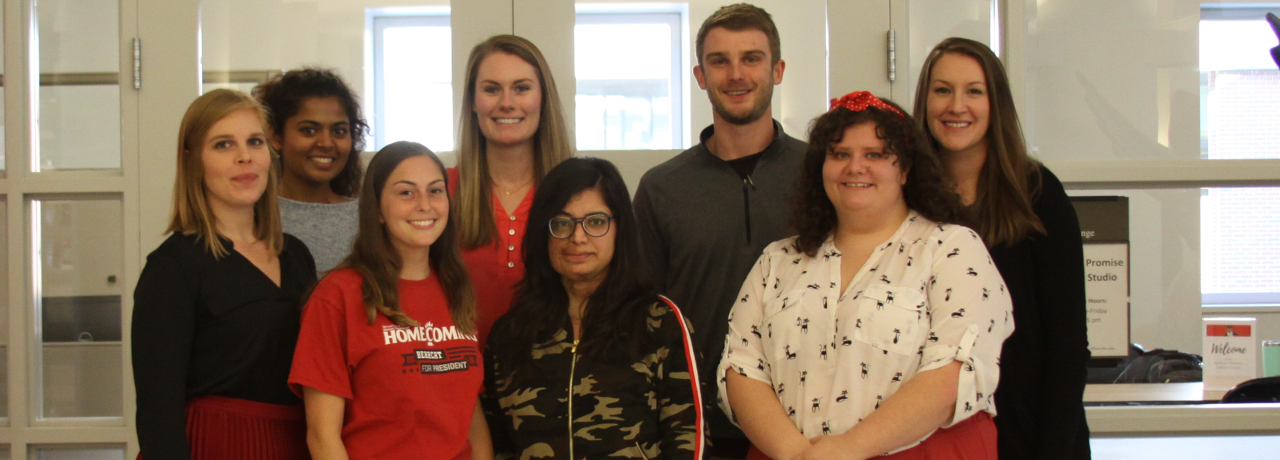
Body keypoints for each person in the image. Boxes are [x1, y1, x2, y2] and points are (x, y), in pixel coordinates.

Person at [719, 92, 1013, 460]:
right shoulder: (778, 260)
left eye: (874, 154)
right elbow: (742, 369)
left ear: (905, 169)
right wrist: (799, 455)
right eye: (840, 154)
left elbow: (954, 373)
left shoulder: (951, 249)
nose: (855, 166)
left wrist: (846, 450)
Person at [632, 4, 805, 456]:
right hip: (695, 422)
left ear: (778, 69)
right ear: (699, 75)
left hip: (807, 419)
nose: (736, 74)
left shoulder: (823, 173)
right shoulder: (661, 187)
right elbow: (639, 314)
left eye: (751, 58)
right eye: (719, 61)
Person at [913, 37, 1091, 460]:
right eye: (943, 90)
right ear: (925, 101)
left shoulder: (1038, 193)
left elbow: (1067, 343)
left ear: (996, 104)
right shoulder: (906, 196)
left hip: (1033, 429)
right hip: (935, 433)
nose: (957, 106)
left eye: (974, 91)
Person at [132, 88, 316, 460]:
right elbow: (157, 410)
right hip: (212, 445)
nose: (244, 156)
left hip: (296, 443)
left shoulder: (296, 255)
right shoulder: (172, 268)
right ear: (193, 160)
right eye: (223, 145)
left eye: (254, 141)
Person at [482, 157, 705, 459]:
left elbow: (688, 438)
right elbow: (497, 445)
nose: (577, 237)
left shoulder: (659, 323)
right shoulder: (510, 334)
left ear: (620, 228)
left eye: (596, 222)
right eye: (561, 223)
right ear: (542, 232)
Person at [288, 141, 491, 460]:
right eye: (406, 192)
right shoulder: (339, 295)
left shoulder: (456, 288)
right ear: (376, 210)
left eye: (436, 191)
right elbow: (322, 437)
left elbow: (470, 417)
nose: (425, 205)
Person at [452, 34, 574, 346]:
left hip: (553, 385)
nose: (507, 103)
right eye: (492, 89)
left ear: (542, 98)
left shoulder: (578, 193)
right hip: (457, 381)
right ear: (473, 102)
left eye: (521, 88)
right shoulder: (439, 192)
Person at [254, 68, 369, 275]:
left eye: (339, 131)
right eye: (309, 130)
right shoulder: (253, 216)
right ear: (276, 136)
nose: (326, 143)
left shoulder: (370, 217)